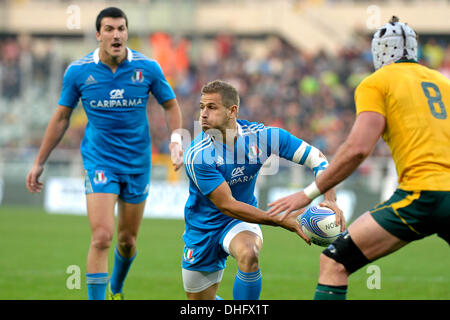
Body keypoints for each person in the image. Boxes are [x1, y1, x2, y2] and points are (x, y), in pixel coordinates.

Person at [267, 16, 450, 300]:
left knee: (334, 263)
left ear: (379, 52)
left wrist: (309, 193)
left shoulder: (377, 82)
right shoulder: (443, 82)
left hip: (423, 194)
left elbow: (357, 149)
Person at [25, 7, 183, 300]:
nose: (116, 34)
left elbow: (171, 106)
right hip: (100, 162)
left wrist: (176, 140)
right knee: (101, 237)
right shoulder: (78, 72)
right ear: (98, 35)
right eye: (109, 29)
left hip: (138, 164)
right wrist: (38, 162)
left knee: (127, 241)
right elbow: (61, 118)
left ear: (126, 32)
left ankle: (117, 288)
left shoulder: (148, 68)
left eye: (121, 28)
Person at [182, 79, 344, 300]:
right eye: (202, 107)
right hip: (203, 228)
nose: (203, 114)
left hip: (240, 220)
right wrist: (278, 219)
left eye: (211, 107)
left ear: (232, 111)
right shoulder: (197, 155)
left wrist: (330, 199)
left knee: (249, 253)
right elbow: (227, 205)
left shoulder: (264, 137)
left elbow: (318, 160)